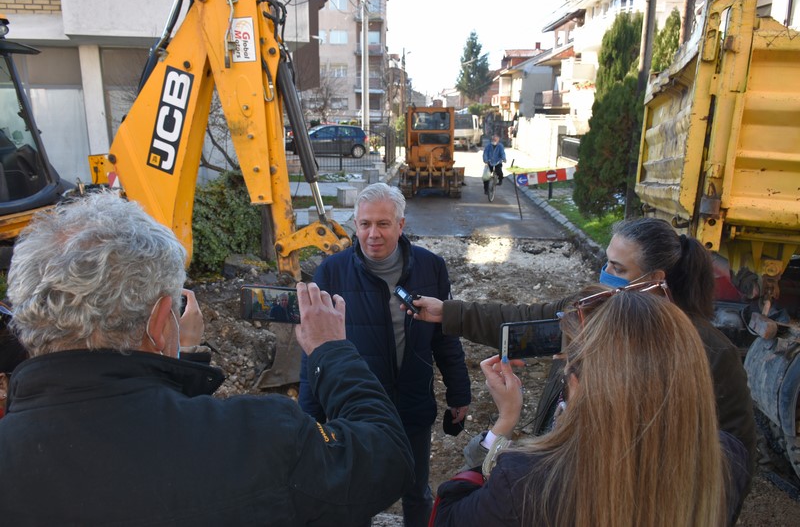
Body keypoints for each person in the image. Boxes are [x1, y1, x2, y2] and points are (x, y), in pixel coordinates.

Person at [0, 192, 414, 526]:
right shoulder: (262, 437)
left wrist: (178, 356)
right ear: (163, 318)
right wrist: (331, 351)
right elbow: (386, 456)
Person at [408, 217, 757, 520]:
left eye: (618, 269)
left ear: (655, 280)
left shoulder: (711, 352)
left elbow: (729, 463)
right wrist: (449, 313)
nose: (605, 275)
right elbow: (526, 320)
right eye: (606, 263)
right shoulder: (592, 308)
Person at [432, 289, 749, 527]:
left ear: (580, 385)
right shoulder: (727, 459)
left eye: (568, 363)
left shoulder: (528, 480)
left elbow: (448, 516)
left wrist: (505, 421)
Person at [298, 182, 471, 527]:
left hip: (412, 403)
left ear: (401, 225)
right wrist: (309, 414)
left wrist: (459, 392)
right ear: (355, 226)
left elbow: (445, 337)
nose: (372, 234)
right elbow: (312, 350)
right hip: (352, 409)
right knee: (354, 493)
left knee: (417, 489)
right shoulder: (331, 272)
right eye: (365, 224)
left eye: (383, 224)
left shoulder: (431, 268)